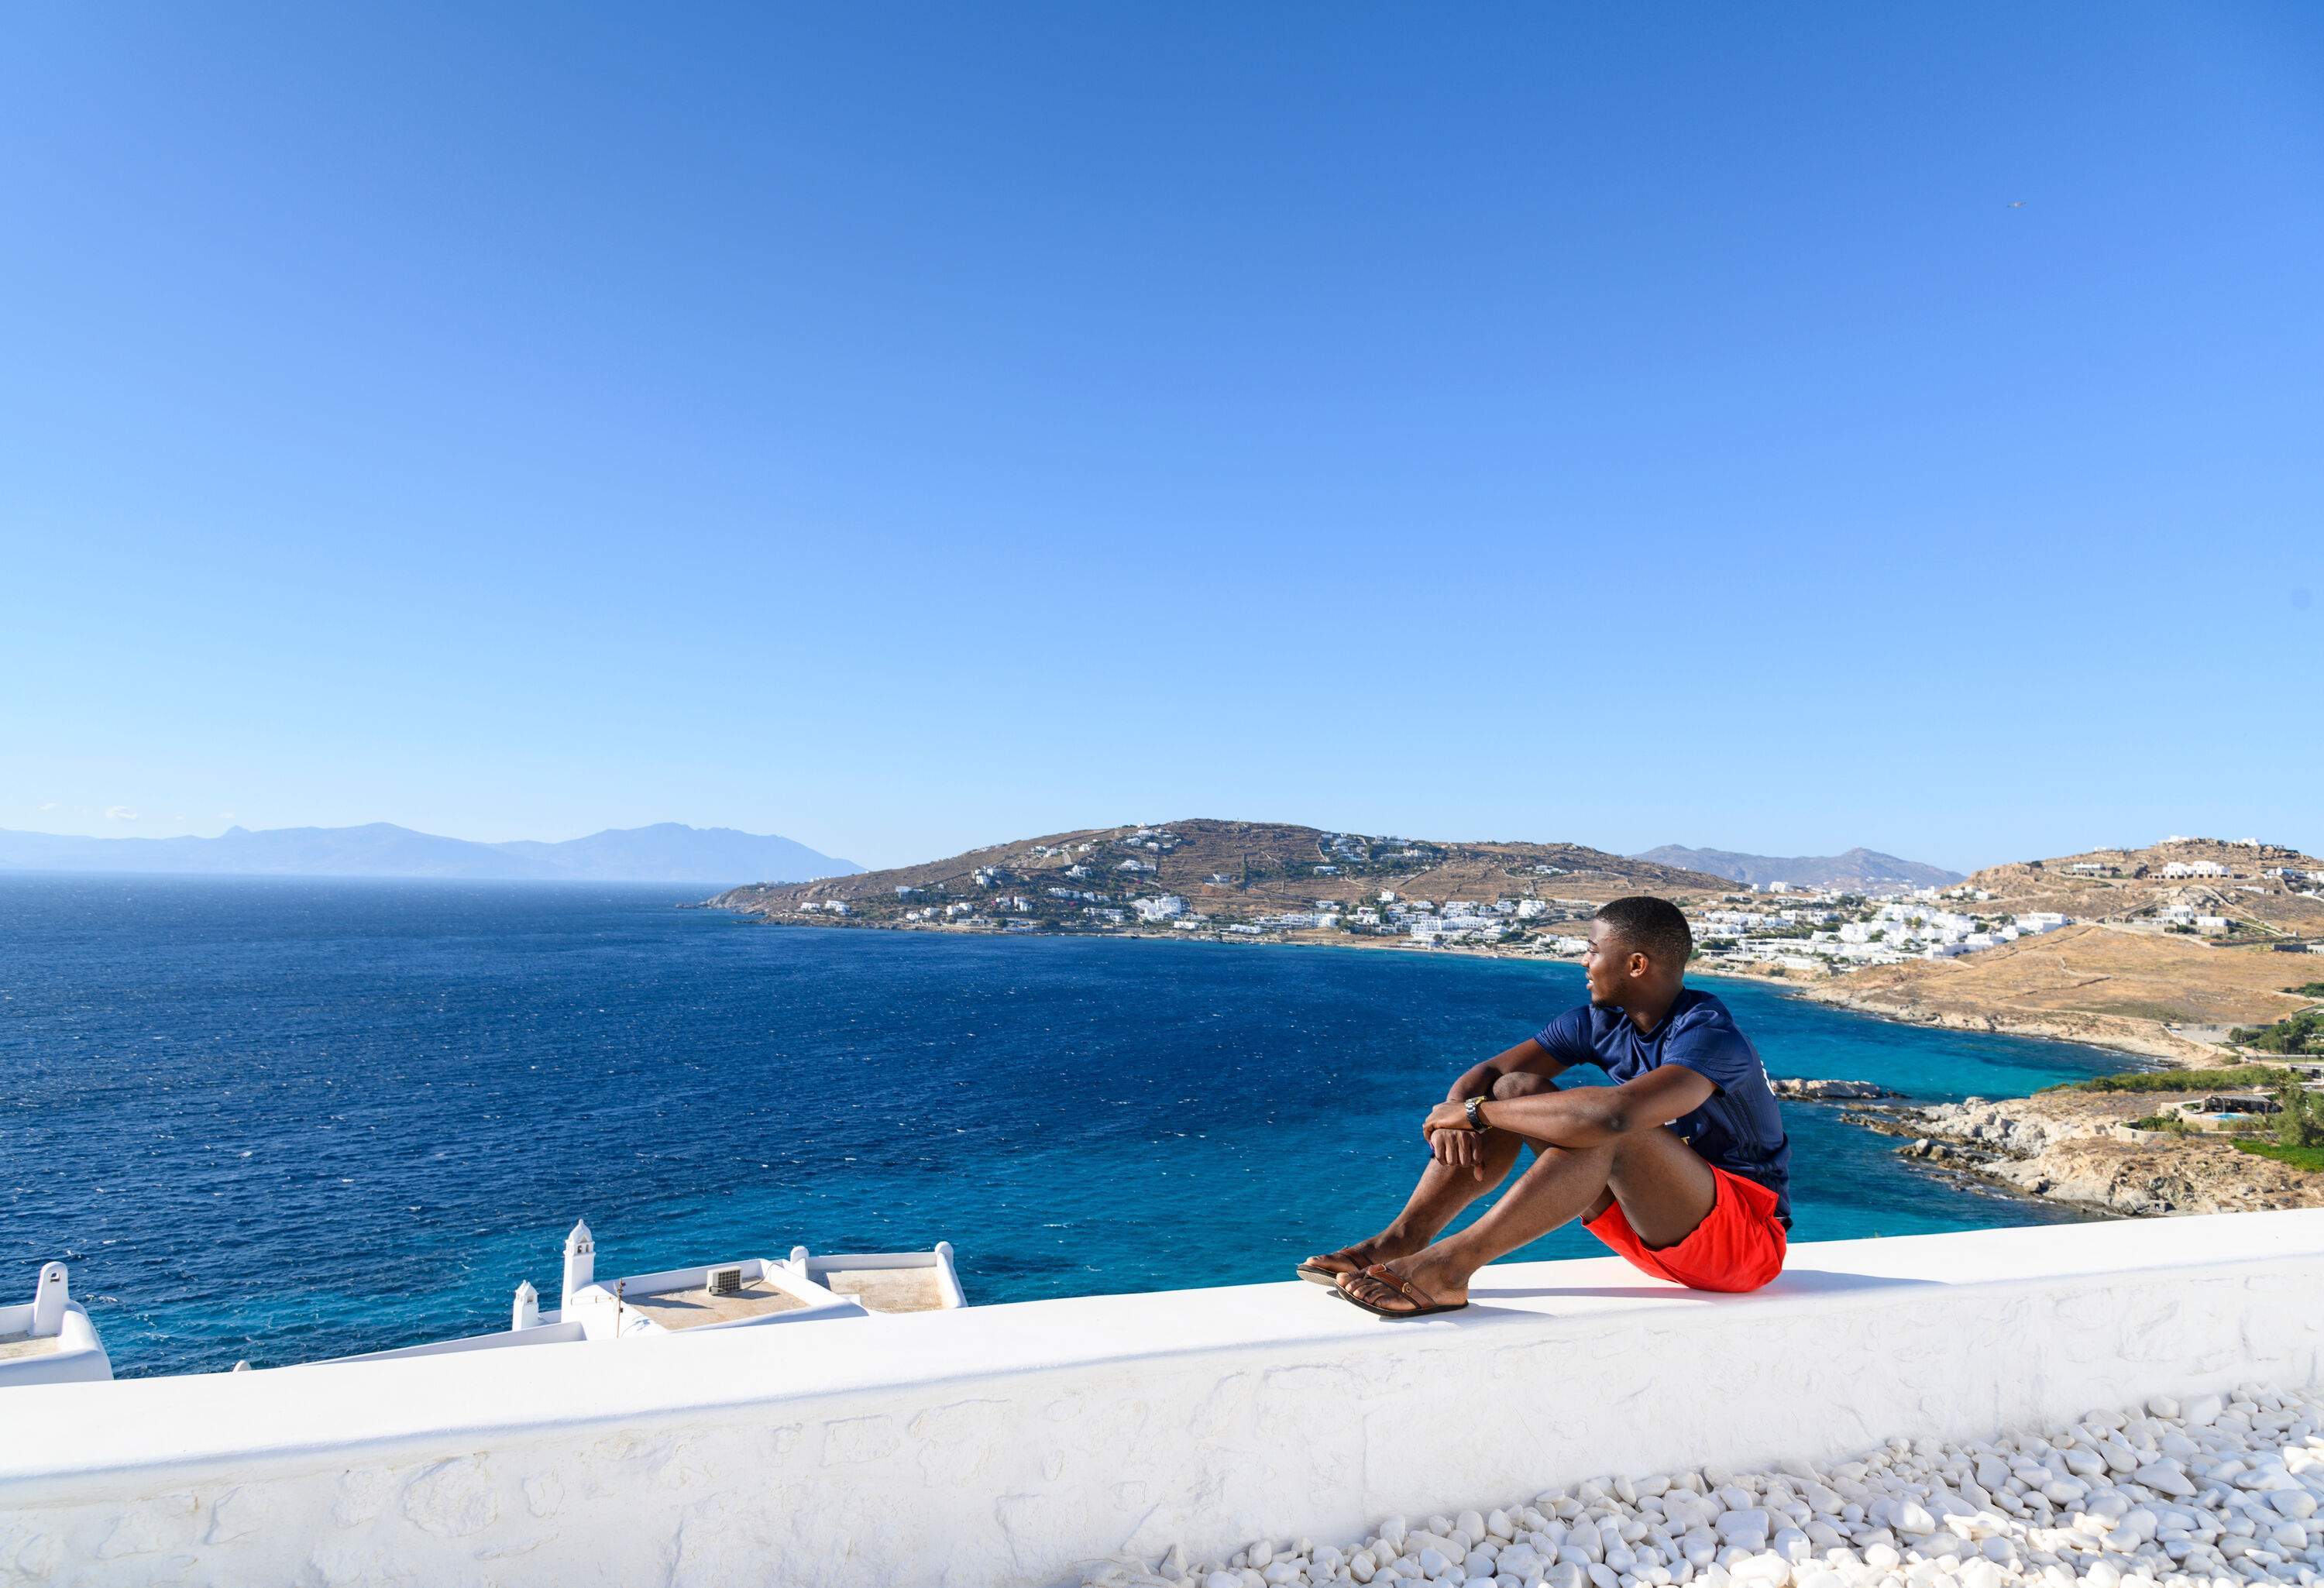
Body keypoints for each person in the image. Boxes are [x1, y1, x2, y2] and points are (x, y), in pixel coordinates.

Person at [1298, 895, 1791, 1317]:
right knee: (1516, 1088)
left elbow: (1613, 1116)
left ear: (1636, 964)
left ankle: (1449, 1269)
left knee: (1607, 1124)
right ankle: (1403, 1239)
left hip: (1743, 1243)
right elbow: (1487, 1077)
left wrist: (1474, 1114)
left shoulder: (1709, 1035)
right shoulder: (1599, 1023)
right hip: (1646, 1231)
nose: (1584, 961)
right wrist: (1460, 1110)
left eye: (1593, 950)